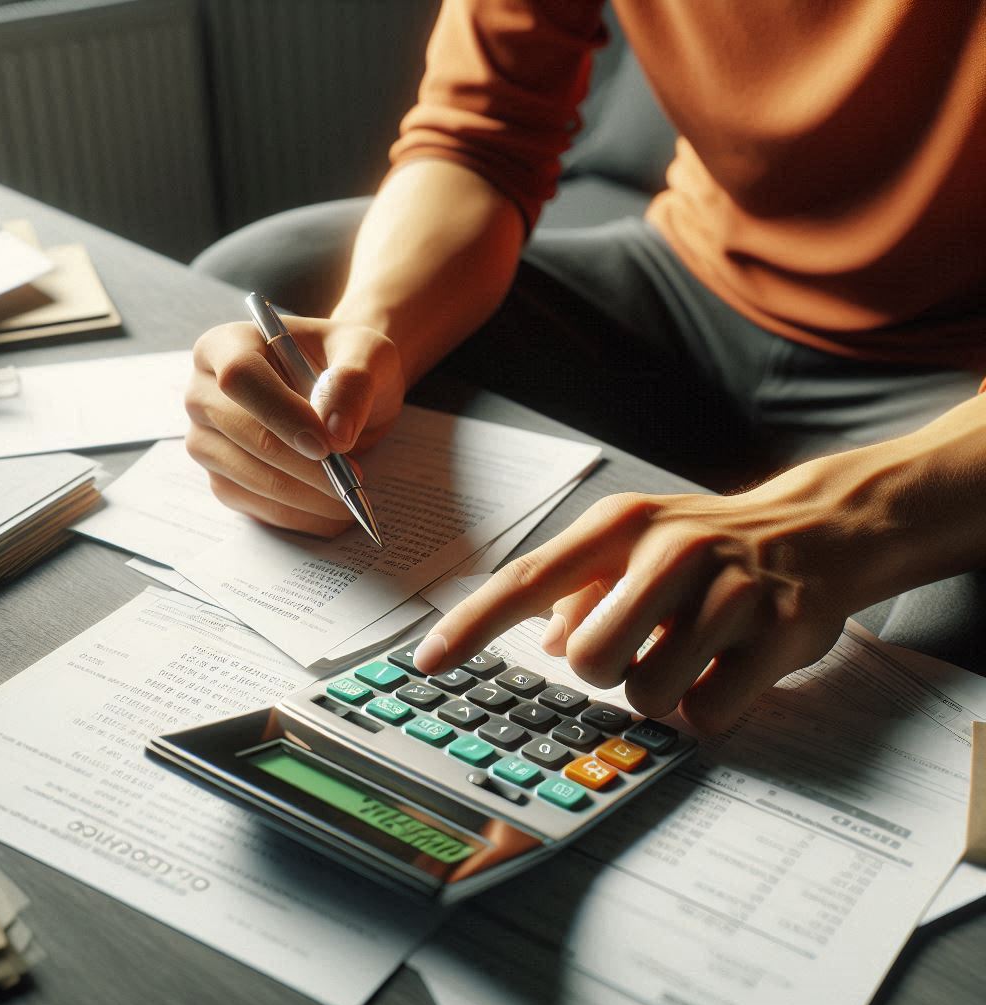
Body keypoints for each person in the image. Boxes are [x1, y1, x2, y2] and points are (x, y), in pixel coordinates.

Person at [185, 1, 986, 733]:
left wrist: (852, 517)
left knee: (951, 624)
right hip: (678, 280)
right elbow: (481, 135)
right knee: (273, 272)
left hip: (955, 379)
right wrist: (366, 347)